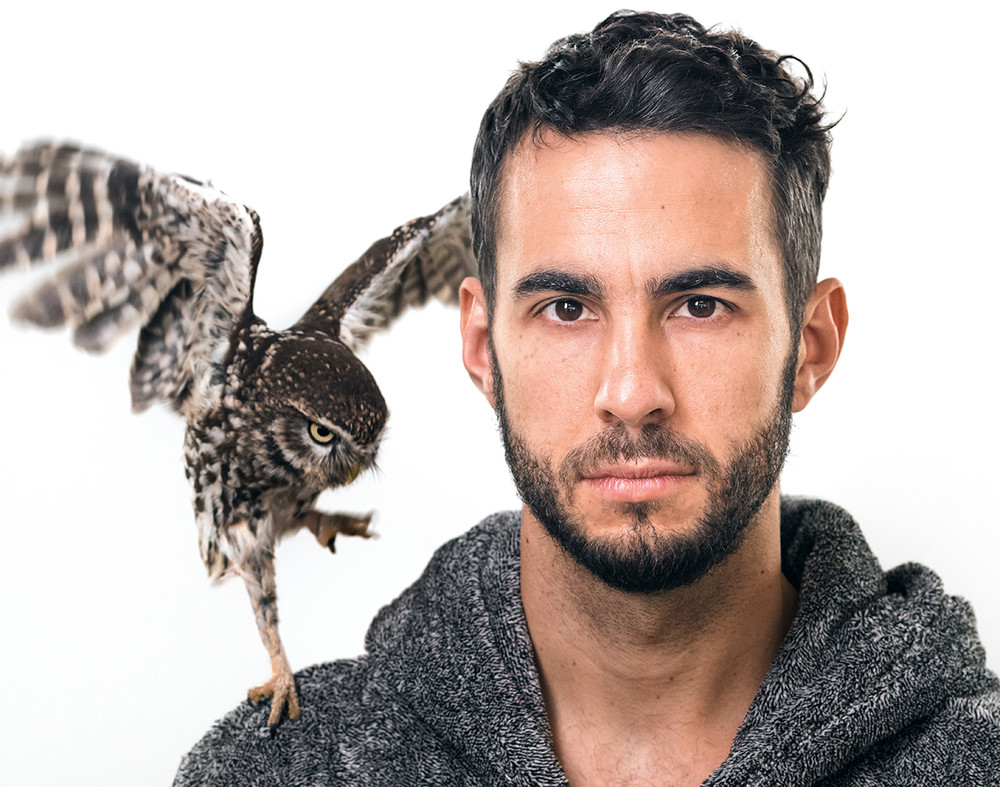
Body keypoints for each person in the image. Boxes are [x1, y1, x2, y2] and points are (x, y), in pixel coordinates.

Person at [174, 10, 1000, 785]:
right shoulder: (271, 769)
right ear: (482, 348)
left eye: (700, 305)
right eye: (567, 309)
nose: (632, 393)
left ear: (810, 346)